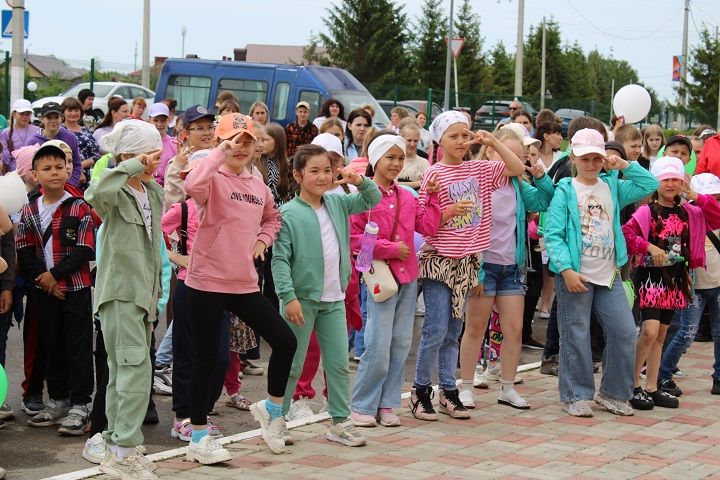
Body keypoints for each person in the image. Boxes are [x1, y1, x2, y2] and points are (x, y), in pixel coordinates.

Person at [183, 114, 297, 460]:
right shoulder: (211, 175)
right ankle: (198, 436)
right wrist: (220, 153)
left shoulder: (257, 183)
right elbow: (191, 187)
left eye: (247, 141)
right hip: (205, 281)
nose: (240, 147)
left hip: (243, 283)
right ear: (220, 142)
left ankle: (272, 412)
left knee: (284, 340)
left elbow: (273, 217)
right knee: (206, 358)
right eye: (233, 140)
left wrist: (263, 239)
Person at [410, 111, 525, 421]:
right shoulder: (434, 174)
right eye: (453, 136)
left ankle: (449, 390)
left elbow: (517, 168)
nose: (461, 141)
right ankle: (420, 391)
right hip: (439, 263)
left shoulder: (481, 169)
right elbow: (425, 225)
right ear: (439, 140)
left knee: (454, 331)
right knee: (435, 329)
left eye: (465, 135)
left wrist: (494, 143)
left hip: (469, 264)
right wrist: (447, 212)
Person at [544, 128, 658, 417]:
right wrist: (566, 270)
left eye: (597, 158)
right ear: (573, 157)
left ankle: (614, 393)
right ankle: (575, 394)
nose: (592, 164)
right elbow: (553, 235)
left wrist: (625, 165)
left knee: (623, 331)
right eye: (585, 158)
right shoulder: (565, 191)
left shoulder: (613, 185)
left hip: (609, 275)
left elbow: (650, 183)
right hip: (576, 276)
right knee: (576, 334)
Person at [272, 143, 380, 446]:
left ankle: (339, 422)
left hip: (334, 299)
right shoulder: (288, 214)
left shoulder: (337, 203)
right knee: (292, 364)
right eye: (314, 171)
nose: (323, 177)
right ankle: (276, 419)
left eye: (327, 170)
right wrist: (288, 296)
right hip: (301, 301)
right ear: (297, 175)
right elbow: (279, 260)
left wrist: (358, 179)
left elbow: (373, 197)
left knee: (338, 364)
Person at [85, 120, 164, 478]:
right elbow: (97, 193)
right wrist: (129, 165)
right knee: (132, 371)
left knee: (128, 372)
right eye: (148, 154)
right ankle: (124, 451)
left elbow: (153, 249)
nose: (154, 162)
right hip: (118, 293)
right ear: (128, 156)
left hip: (143, 296)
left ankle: (118, 444)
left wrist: (155, 297)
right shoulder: (115, 191)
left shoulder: (155, 193)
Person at [349, 133, 442, 427]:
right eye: (390, 157)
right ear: (376, 159)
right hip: (381, 279)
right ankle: (362, 403)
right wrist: (391, 249)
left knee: (401, 343)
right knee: (377, 343)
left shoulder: (407, 195)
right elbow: (354, 240)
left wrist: (435, 197)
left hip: (408, 278)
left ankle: (388, 403)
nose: (396, 163)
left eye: (400, 157)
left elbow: (428, 225)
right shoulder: (363, 196)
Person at [458, 126, 554, 410]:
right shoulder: (477, 179)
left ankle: (507, 387)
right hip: (483, 265)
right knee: (475, 328)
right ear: (490, 152)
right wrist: (474, 269)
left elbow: (544, 200)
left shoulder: (517, 185)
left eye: (517, 156)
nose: (513, 162)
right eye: (505, 153)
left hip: (511, 266)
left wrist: (540, 176)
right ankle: (465, 387)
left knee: (514, 328)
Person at [623, 158, 720, 410]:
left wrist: (696, 195)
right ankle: (632, 384)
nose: (671, 183)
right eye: (665, 179)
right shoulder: (647, 211)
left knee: (662, 334)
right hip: (651, 279)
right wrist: (649, 246)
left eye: (675, 178)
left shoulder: (690, 211)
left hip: (676, 279)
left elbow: (717, 216)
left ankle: (653, 386)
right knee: (650, 331)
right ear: (656, 183)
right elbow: (627, 233)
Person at [17, 141, 95, 434]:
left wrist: (56, 276)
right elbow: (24, 249)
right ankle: (59, 399)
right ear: (35, 174)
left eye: (59, 167)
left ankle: (80, 405)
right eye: (46, 168)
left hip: (75, 289)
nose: (54, 173)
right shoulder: (30, 208)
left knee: (78, 346)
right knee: (52, 345)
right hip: (45, 292)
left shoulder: (79, 206)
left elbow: (85, 249)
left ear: (68, 171)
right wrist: (44, 280)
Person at [657, 173, 720, 397]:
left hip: (718, 284)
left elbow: (716, 213)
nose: (711, 201)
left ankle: (719, 377)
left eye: (716, 197)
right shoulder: (687, 217)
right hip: (694, 286)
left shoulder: (715, 214)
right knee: (687, 333)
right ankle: (663, 374)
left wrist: (699, 197)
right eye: (707, 197)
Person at [163, 105, 216, 210]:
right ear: (186, 133)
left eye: (210, 127)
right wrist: (177, 166)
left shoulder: (219, 158)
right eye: (200, 128)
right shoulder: (178, 163)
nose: (207, 133)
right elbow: (172, 204)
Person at [28, 102, 83, 187]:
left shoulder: (70, 137)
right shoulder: (32, 141)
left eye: (56, 117)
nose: (53, 121)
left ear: (62, 118)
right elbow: (29, 170)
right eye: (49, 117)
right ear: (42, 118)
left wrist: (70, 185)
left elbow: (77, 164)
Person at [61, 98, 101, 187]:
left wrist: (81, 165)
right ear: (63, 112)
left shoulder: (86, 131)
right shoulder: (60, 131)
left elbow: (96, 155)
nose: (73, 113)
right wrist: (77, 169)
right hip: (67, 175)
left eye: (76, 110)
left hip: (87, 177)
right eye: (70, 110)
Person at [0, 99, 41, 173]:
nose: (25, 117)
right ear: (14, 114)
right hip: (14, 173)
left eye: (28, 114)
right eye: (21, 114)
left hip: (34, 171)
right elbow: (5, 158)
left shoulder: (37, 130)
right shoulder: (5, 132)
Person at [147, 103, 178, 187]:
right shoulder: (143, 143)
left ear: (169, 120)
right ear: (150, 120)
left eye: (163, 120)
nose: (159, 124)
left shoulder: (175, 144)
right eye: (156, 120)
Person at [397, 123, 430, 189]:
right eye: (409, 140)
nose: (412, 144)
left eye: (415, 141)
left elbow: (428, 185)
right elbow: (391, 183)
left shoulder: (424, 163)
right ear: (402, 139)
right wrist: (419, 183)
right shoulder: (395, 161)